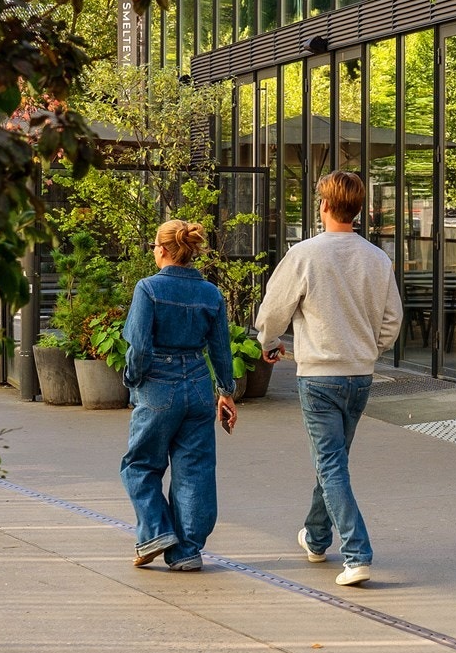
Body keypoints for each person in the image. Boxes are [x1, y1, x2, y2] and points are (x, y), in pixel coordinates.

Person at [255, 171, 402, 587]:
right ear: (357, 209)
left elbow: (274, 309)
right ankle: (317, 537)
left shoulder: (305, 254)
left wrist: (268, 341)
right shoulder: (377, 258)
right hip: (359, 374)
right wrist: (371, 347)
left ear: (323, 206)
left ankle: (357, 553)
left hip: (319, 375)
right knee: (333, 461)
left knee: (331, 463)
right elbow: (392, 320)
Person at [120, 219, 238, 571]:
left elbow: (139, 348)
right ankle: (186, 550)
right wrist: (225, 393)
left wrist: (132, 379)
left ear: (163, 249)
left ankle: (156, 532)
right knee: (196, 469)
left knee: (140, 464)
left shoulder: (148, 289)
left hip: (158, 384)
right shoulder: (211, 293)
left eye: (155, 246)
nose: (153, 251)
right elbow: (220, 349)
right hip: (199, 387)